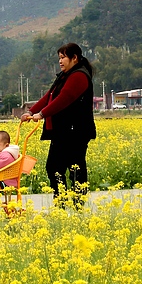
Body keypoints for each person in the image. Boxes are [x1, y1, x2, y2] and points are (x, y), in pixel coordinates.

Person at [21, 42, 96, 200]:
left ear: (74, 58)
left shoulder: (79, 76)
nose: (60, 61)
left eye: (63, 57)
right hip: (63, 130)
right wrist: (31, 111)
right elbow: (49, 96)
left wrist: (42, 114)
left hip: (76, 130)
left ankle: (77, 202)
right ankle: (61, 201)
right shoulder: (65, 75)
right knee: (54, 167)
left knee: (74, 167)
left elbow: (64, 99)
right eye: (59, 58)